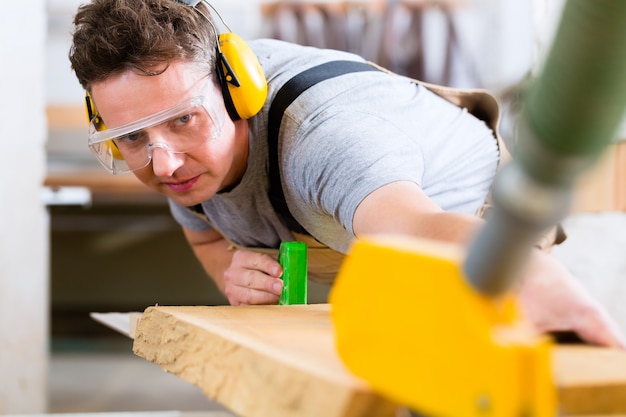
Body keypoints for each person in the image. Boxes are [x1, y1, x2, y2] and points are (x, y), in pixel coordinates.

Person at [69, 0, 625, 348]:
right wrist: (235, 272)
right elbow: (208, 233)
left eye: (183, 122)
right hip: (357, 233)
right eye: (133, 138)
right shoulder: (174, 150)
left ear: (235, 89)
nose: (162, 163)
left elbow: (415, 231)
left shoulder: (326, 138)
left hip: (474, 232)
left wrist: (531, 274)